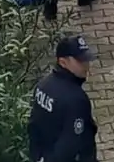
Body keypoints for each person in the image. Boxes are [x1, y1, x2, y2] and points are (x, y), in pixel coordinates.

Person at [28, 34, 99, 162]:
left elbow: (33, 126)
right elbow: (70, 146)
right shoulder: (76, 99)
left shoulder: (43, 85)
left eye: (86, 60)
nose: (86, 66)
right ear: (63, 62)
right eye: (80, 61)